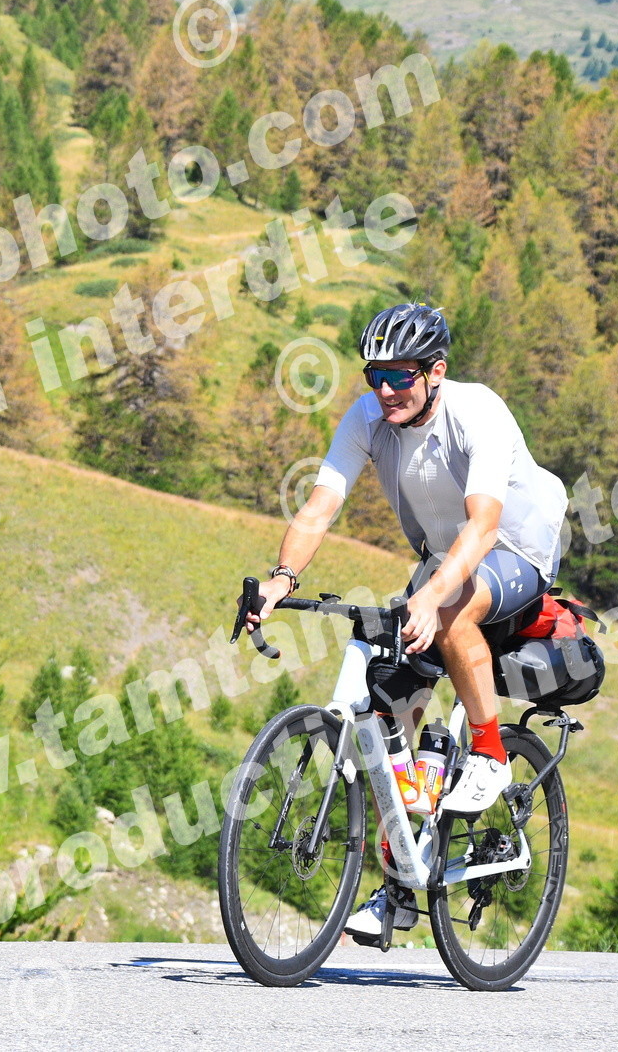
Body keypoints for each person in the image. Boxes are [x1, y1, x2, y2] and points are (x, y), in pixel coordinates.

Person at [242, 302, 567, 939]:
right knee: (388, 709)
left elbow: (484, 525)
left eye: (400, 376)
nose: (386, 390)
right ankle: (398, 885)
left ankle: (491, 753)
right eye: (375, 377)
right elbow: (320, 507)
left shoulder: (477, 412)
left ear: (435, 371)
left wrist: (433, 595)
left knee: (447, 615)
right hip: (445, 557)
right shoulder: (367, 418)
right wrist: (282, 579)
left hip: (516, 547)